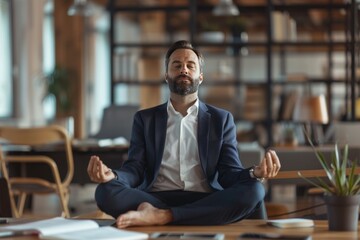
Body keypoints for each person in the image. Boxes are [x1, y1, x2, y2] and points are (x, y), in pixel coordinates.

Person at [87, 40, 281, 229]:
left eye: (190, 65)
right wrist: (112, 176)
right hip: (155, 197)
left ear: (200, 76)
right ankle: (191, 215)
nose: (184, 69)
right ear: (166, 75)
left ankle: (162, 215)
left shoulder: (221, 120)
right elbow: (135, 168)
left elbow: (228, 173)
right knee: (105, 191)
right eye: (177, 65)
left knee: (255, 190)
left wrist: (255, 173)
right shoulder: (145, 119)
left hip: (205, 197)